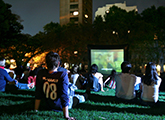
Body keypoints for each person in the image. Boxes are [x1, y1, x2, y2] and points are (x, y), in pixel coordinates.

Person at [34, 52, 78, 119]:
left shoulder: (41, 73)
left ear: (46, 64)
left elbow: (38, 92)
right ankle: (84, 97)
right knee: (73, 95)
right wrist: (66, 116)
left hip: (47, 104)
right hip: (60, 106)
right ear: (58, 64)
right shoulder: (62, 75)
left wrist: (36, 109)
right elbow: (64, 95)